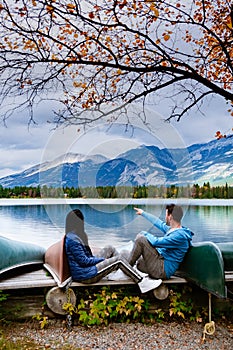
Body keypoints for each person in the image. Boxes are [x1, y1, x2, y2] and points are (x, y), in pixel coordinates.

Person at [65, 209, 161, 292]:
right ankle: (141, 282)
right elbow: (84, 261)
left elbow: (86, 257)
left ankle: (121, 273)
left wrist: (99, 259)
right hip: (86, 275)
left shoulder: (76, 235)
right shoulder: (73, 240)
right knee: (118, 259)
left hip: (87, 269)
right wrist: (103, 261)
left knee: (109, 248)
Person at [128, 204, 194, 280]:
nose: (165, 217)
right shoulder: (173, 230)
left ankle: (126, 271)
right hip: (159, 262)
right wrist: (143, 213)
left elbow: (156, 242)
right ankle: (120, 267)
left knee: (141, 240)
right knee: (125, 254)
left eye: (166, 214)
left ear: (170, 217)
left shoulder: (179, 236)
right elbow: (158, 222)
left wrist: (144, 233)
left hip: (162, 271)